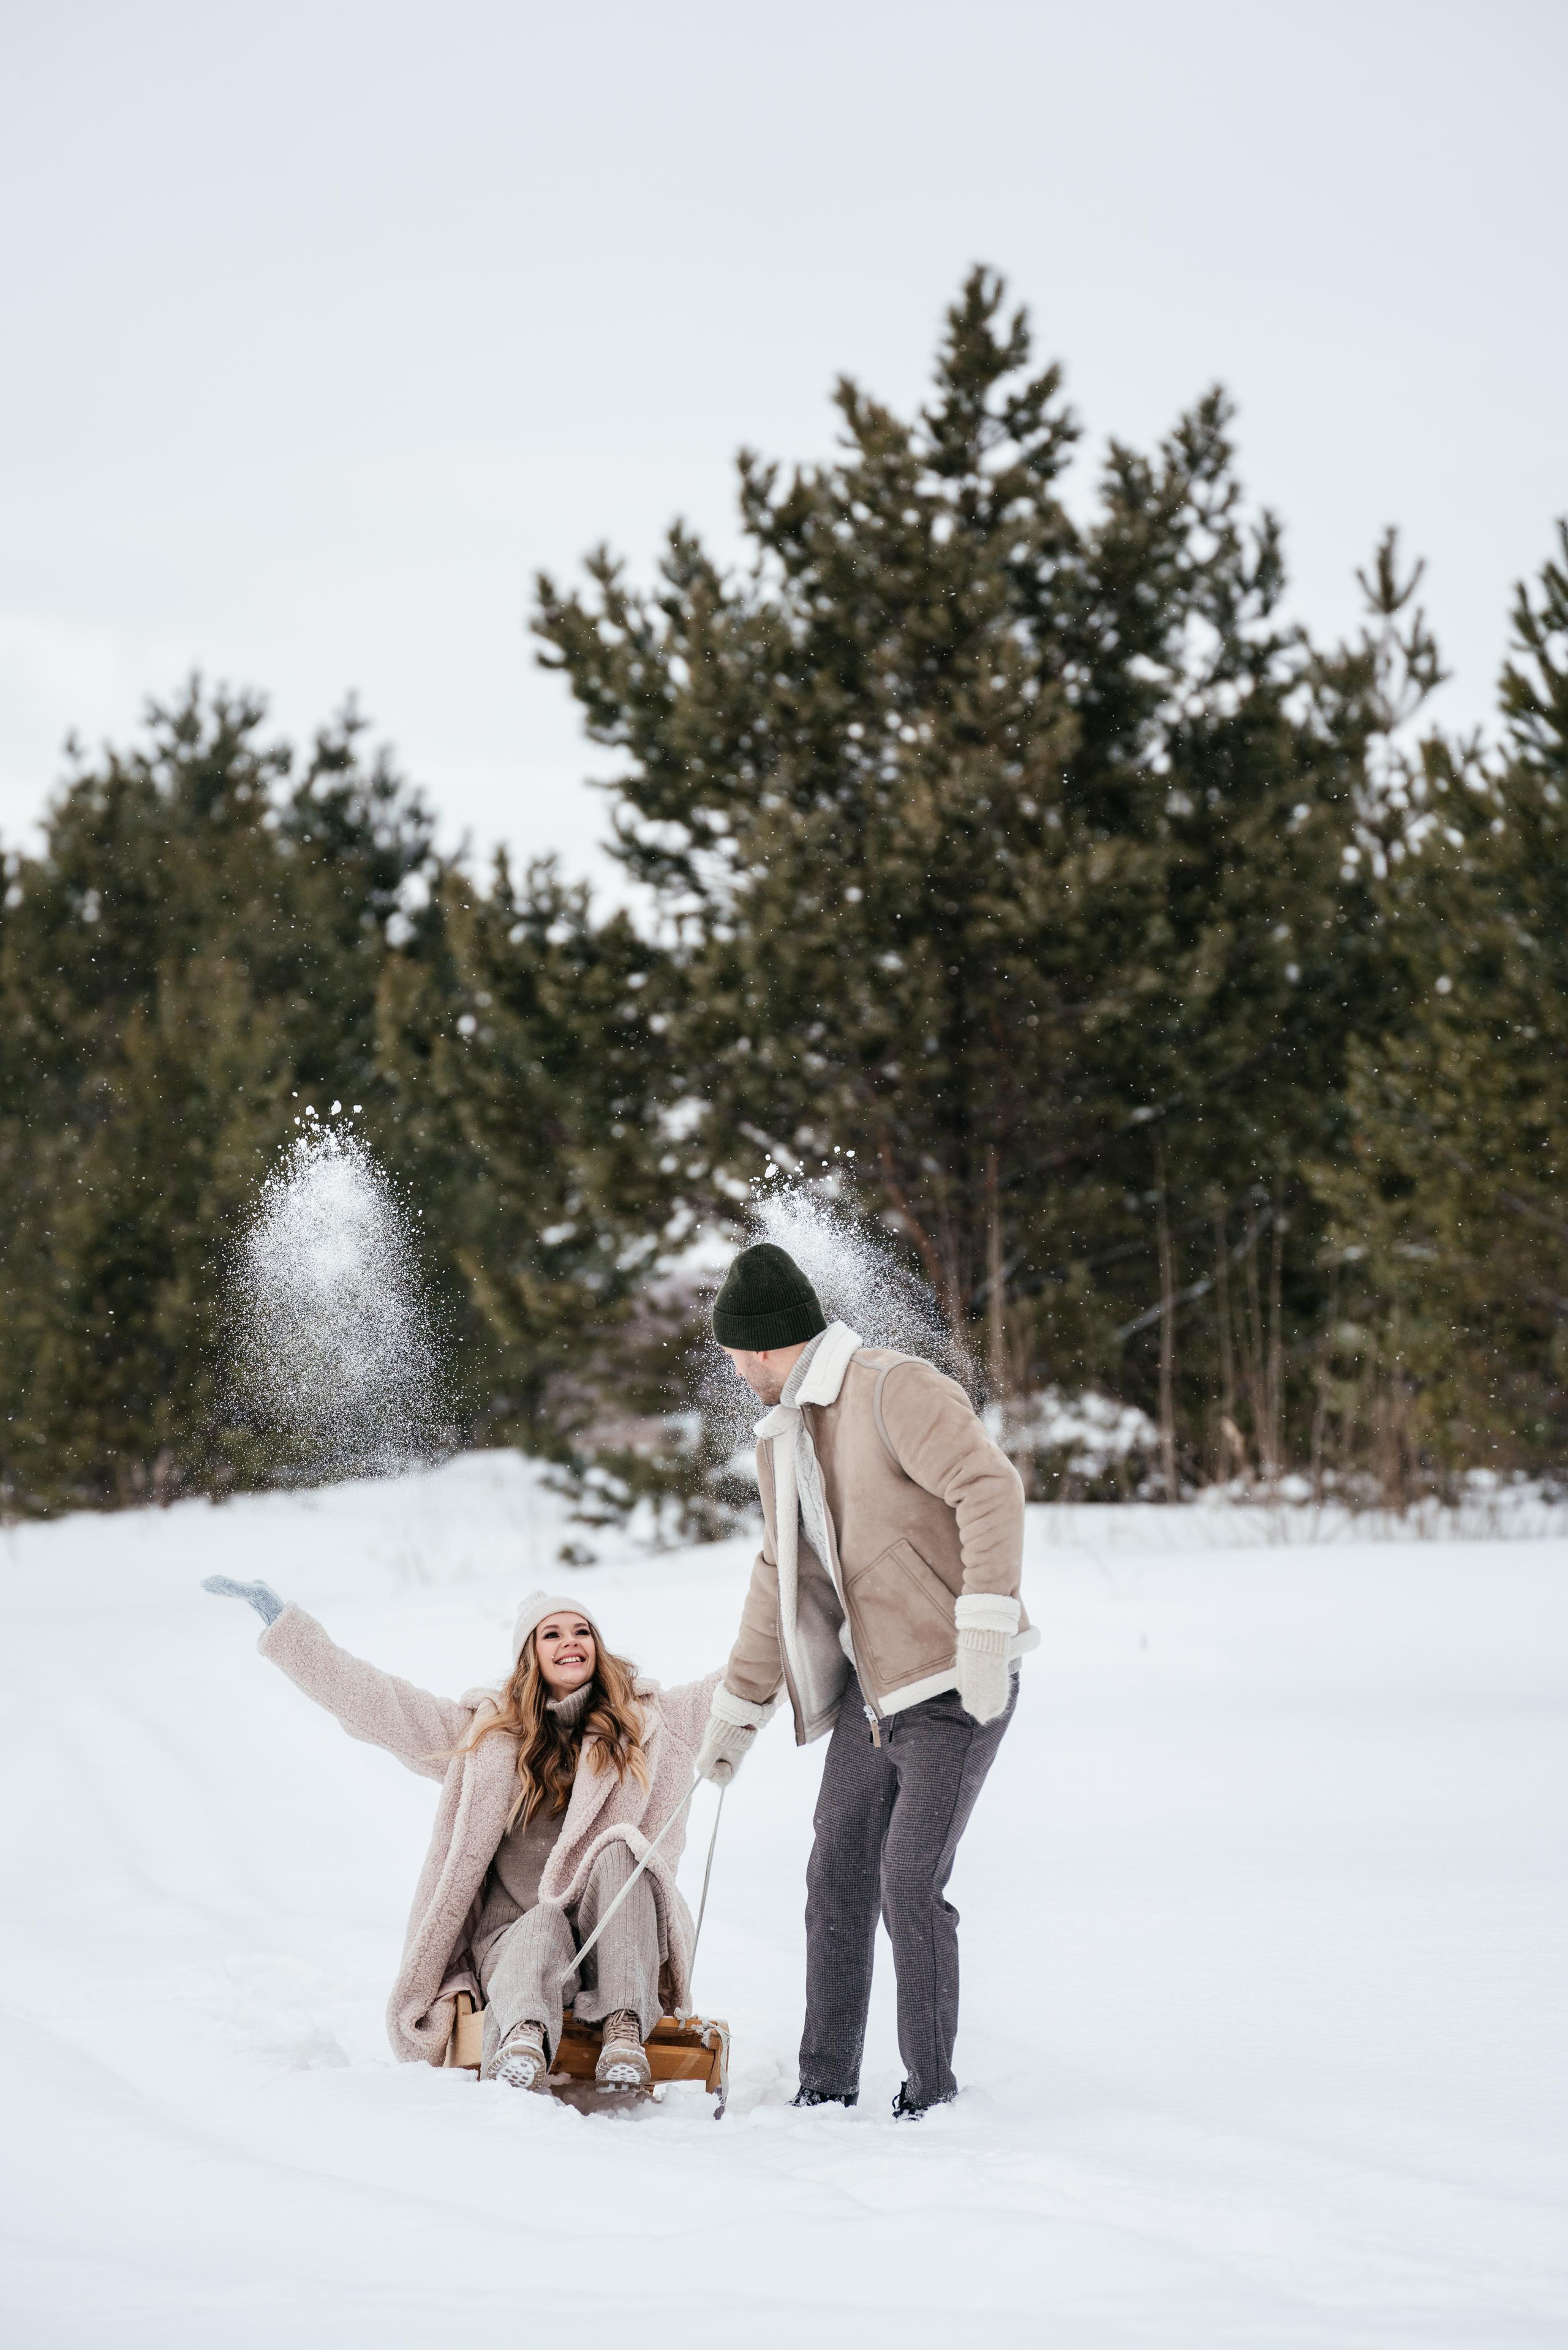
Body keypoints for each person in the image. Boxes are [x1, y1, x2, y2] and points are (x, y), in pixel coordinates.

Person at [693, 1242, 1035, 2118]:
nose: (731, 1370)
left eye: (733, 1354)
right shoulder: (785, 1441)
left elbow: (989, 1489)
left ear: (762, 1345)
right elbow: (779, 1579)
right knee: (836, 1873)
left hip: (957, 1684)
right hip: (873, 1701)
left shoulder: (893, 1387)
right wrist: (741, 1710)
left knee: (908, 1881)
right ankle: (826, 2081)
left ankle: (932, 2095)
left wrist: (987, 1623)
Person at [203, 1576, 720, 2092]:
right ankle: (522, 2035)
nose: (570, 1642)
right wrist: (289, 1633)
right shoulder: (486, 1736)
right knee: (542, 1921)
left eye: (581, 1630)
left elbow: (742, 1684)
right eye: (552, 1634)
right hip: (513, 1941)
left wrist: (795, 1601)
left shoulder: (652, 1724)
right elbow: (380, 1704)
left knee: (622, 1850)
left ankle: (624, 2025)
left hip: (611, 1943)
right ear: (529, 1656)